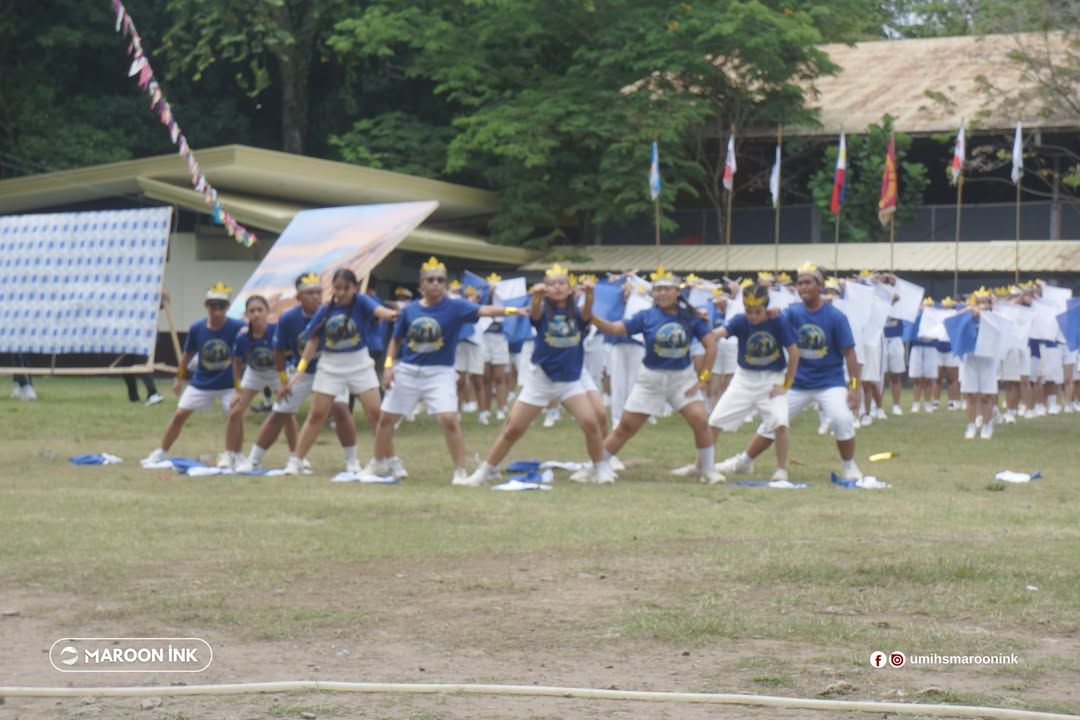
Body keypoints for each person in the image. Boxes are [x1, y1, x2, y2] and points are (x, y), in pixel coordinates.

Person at [369, 257, 524, 485]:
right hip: (409, 370)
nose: (436, 284)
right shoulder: (410, 310)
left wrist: (515, 310)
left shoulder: (455, 306)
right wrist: (389, 366)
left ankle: (460, 471)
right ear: (421, 285)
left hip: (439, 371)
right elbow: (396, 340)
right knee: (386, 419)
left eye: (440, 280)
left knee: (449, 419)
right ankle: (378, 462)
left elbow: (485, 310)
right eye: (430, 280)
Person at [461, 264, 611, 486]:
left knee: (591, 423)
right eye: (552, 284)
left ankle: (600, 468)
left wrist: (590, 294)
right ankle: (487, 470)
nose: (557, 288)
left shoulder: (577, 314)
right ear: (546, 289)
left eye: (562, 284)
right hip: (541, 379)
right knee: (513, 429)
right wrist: (537, 297)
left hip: (569, 381)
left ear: (570, 289)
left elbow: (588, 314)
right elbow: (535, 313)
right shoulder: (541, 312)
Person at [717, 263, 864, 482]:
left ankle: (849, 466)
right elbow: (768, 322)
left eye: (808, 283)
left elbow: (850, 353)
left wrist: (854, 387)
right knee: (774, 422)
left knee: (841, 418)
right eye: (800, 283)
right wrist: (768, 312)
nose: (803, 287)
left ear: (820, 285)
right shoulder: (792, 312)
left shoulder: (835, 316)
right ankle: (744, 461)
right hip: (797, 382)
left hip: (829, 381)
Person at [592, 266, 721, 485]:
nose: (661, 293)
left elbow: (711, 345)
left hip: (682, 379)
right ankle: (597, 465)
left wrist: (703, 378)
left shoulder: (690, 317)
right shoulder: (646, 316)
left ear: (676, 292)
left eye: (666, 289)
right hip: (650, 379)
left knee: (700, 421)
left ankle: (707, 470)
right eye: (658, 289)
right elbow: (615, 329)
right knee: (626, 427)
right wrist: (592, 318)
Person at [281, 268, 398, 475]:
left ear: (354, 287)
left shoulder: (361, 301)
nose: (342, 293)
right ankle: (296, 460)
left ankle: (391, 460)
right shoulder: (325, 310)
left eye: (346, 288)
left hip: (359, 361)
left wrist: (394, 314)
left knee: (375, 414)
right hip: (330, 364)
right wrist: (300, 369)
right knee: (316, 415)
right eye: (337, 288)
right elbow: (313, 339)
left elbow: (379, 311)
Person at [235, 272, 355, 473]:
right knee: (279, 413)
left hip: (332, 370)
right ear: (298, 298)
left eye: (318, 292)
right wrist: (283, 381)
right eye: (310, 293)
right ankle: (254, 459)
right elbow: (278, 350)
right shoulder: (289, 318)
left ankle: (352, 461)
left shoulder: (332, 311)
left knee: (341, 409)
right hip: (301, 371)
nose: (316, 297)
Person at [143, 283, 245, 464]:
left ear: (227, 308)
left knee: (236, 415)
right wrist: (179, 378)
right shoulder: (197, 328)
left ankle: (236, 454)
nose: (217, 311)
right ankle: (161, 451)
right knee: (179, 415)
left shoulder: (237, 327)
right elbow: (187, 354)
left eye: (221, 306)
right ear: (206, 306)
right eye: (213, 305)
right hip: (202, 382)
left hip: (228, 383)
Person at [707, 283, 799, 483]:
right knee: (714, 421)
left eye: (757, 312)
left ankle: (781, 469)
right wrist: (702, 328)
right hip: (745, 378)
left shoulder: (778, 321)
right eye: (749, 311)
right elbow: (718, 334)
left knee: (780, 422)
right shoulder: (740, 321)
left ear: (766, 308)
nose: (753, 317)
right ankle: (706, 466)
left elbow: (793, 351)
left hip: (772, 378)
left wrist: (786, 384)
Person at [220, 295, 282, 468]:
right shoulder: (242, 337)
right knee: (235, 411)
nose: (256, 315)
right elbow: (237, 362)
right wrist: (238, 390)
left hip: (277, 372)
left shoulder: (276, 330)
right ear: (246, 315)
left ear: (267, 312)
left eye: (260, 310)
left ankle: (296, 455)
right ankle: (230, 454)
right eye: (251, 311)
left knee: (287, 412)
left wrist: (285, 380)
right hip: (254, 373)